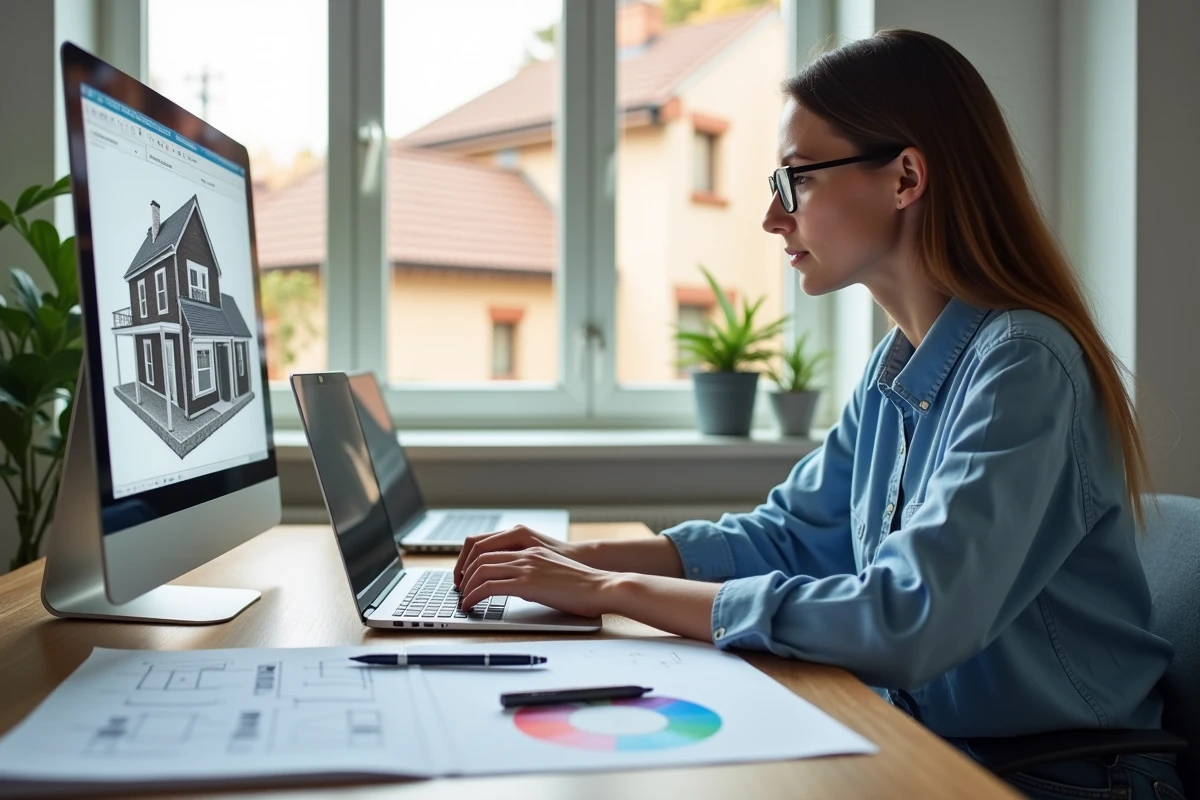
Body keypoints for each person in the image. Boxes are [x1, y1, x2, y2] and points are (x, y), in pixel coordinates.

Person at [453, 28, 1184, 800]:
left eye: (796, 179)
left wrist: (610, 593)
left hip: (1061, 780)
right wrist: (578, 558)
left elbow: (910, 617)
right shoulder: (896, 369)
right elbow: (791, 535)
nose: (772, 215)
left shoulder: (1025, 365)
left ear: (905, 178)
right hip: (931, 747)